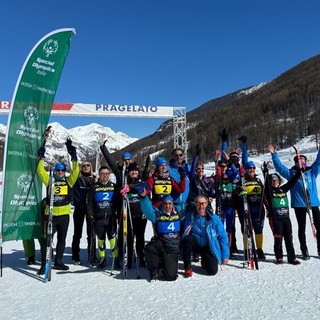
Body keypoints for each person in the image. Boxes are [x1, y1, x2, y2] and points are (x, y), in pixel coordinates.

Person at [36, 138, 80, 274]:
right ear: (55, 171)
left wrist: (74, 157)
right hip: (50, 215)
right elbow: (40, 170)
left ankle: (58, 261)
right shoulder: (50, 180)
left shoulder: (69, 181)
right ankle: (44, 263)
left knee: (62, 239)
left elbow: (76, 172)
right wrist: (41, 157)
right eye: (58, 170)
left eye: (62, 170)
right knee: (46, 240)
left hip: (64, 216)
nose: (60, 172)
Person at [269, 144, 320, 259]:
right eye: (297, 160)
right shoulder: (291, 174)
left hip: (313, 204)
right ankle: (304, 250)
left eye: (302, 160)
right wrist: (274, 154)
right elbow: (280, 167)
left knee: (319, 227)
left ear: (305, 162)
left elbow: (318, 161)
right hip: (299, 205)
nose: (300, 162)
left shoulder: (312, 172)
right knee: (301, 228)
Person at [263, 159, 301, 265]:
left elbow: (292, 182)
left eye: (276, 180)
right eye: (273, 180)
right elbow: (266, 182)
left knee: (289, 237)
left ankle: (291, 258)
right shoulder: (269, 191)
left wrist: (299, 171)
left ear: (279, 181)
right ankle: (279, 257)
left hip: (286, 217)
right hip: (275, 218)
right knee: (278, 238)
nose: (275, 182)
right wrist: (265, 171)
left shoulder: (283, 189)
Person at [182, 195, 229, 277]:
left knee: (212, 271)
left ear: (207, 204)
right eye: (198, 203)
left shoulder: (213, 218)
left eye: (203, 203)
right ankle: (188, 267)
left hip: (208, 247)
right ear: (195, 204)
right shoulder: (190, 215)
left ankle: (205, 259)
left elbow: (223, 235)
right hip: (195, 245)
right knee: (188, 239)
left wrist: (225, 255)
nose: (201, 206)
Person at [140, 194, 183, 281]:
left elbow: (189, 206)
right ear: (162, 204)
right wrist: (144, 198)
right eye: (165, 204)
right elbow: (148, 210)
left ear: (172, 204)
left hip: (173, 247)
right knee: (150, 248)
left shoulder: (178, 213)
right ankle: (154, 270)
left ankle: (166, 264)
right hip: (162, 243)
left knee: (171, 277)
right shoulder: (158, 214)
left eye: (169, 204)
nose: (168, 206)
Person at [87, 165, 121, 269]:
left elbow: (117, 202)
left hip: (110, 218)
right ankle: (102, 259)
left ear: (109, 175)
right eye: (102, 174)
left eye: (106, 174)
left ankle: (115, 259)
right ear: (99, 175)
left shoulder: (114, 186)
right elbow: (90, 203)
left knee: (112, 239)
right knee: (100, 240)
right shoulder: (94, 187)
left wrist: (117, 213)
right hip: (98, 218)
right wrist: (90, 215)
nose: (104, 175)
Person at [118, 162, 148, 268]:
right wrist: (122, 192)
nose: (134, 172)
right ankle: (129, 258)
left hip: (140, 215)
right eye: (132, 171)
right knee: (129, 238)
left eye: (136, 170)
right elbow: (120, 195)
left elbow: (146, 194)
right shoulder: (125, 182)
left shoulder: (142, 181)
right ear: (128, 172)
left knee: (140, 237)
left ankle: (141, 257)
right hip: (128, 214)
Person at [71, 161, 97, 265]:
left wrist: (96, 181)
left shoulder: (94, 179)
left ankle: (92, 255)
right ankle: (75, 256)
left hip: (90, 209)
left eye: (88, 165)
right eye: (84, 166)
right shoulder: (77, 179)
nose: (86, 167)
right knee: (77, 233)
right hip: (79, 209)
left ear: (91, 167)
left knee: (91, 233)